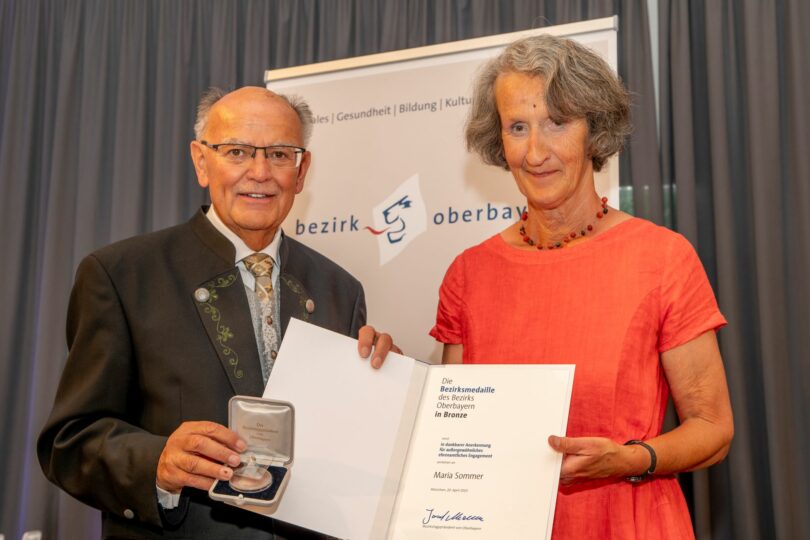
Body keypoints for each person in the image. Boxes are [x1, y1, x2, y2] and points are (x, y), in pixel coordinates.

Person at [38, 86, 397, 539]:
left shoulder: (339, 289)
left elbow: (347, 448)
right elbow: (71, 441)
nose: (260, 172)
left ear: (302, 170)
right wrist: (158, 463)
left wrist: (387, 391)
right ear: (201, 162)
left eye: (280, 154)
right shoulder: (122, 275)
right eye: (237, 152)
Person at [430, 35, 734, 538]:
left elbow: (713, 429)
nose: (536, 152)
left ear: (595, 130)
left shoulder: (663, 259)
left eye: (557, 122)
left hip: (630, 523)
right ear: (498, 140)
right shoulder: (469, 274)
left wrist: (631, 458)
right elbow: (455, 434)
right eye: (518, 127)